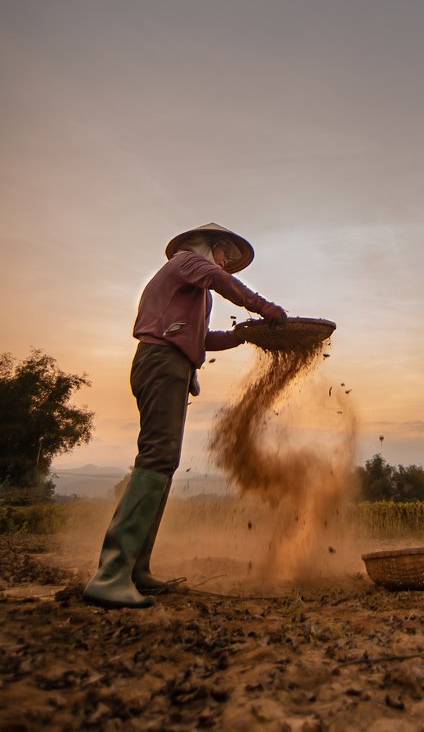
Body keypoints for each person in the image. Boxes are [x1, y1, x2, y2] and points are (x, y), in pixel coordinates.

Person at [83, 222, 286, 609]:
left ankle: (136, 569)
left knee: (164, 462)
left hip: (172, 364)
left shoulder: (196, 291)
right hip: (161, 361)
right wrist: (262, 306)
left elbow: (203, 339)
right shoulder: (187, 262)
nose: (226, 262)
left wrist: (244, 335)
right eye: (225, 252)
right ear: (208, 246)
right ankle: (110, 574)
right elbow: (216, 277)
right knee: (157, 457)